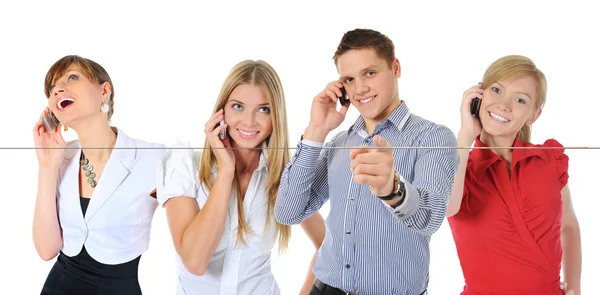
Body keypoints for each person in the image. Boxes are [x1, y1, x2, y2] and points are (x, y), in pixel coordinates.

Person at [274, 28, 459, 295]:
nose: (360, 88)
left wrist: (393, 189)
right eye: (349, 79)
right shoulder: (338, 143)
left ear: (395, 68)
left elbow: (430, 219)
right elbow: (288, 212)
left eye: (370, 73)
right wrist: (316, 131)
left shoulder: (433, 137)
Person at [155, 59, 325, 295]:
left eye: (263, 109)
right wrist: (226, 170)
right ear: (221, 110)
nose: (249, 121)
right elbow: (195, 262)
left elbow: (328, 245)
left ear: (276, 117)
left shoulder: (283, 177)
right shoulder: (185, 165)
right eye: (238, 106)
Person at [446, 55, 582, 295]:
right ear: (479, 95)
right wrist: (466, 134)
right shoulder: (459, 166)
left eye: (520, 99)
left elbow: (568, 226)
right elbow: (445, 207)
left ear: (533, 115)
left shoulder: (550, 159)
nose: (504, 105)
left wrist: (575, 288)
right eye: (496, 90)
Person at [33, 55, 165, 294]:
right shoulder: (60, 158)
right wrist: (47, 166)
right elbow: (46, 250)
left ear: (104, 91)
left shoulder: (153, 158)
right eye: (52, 88)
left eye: (72, 77)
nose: (58, 89)